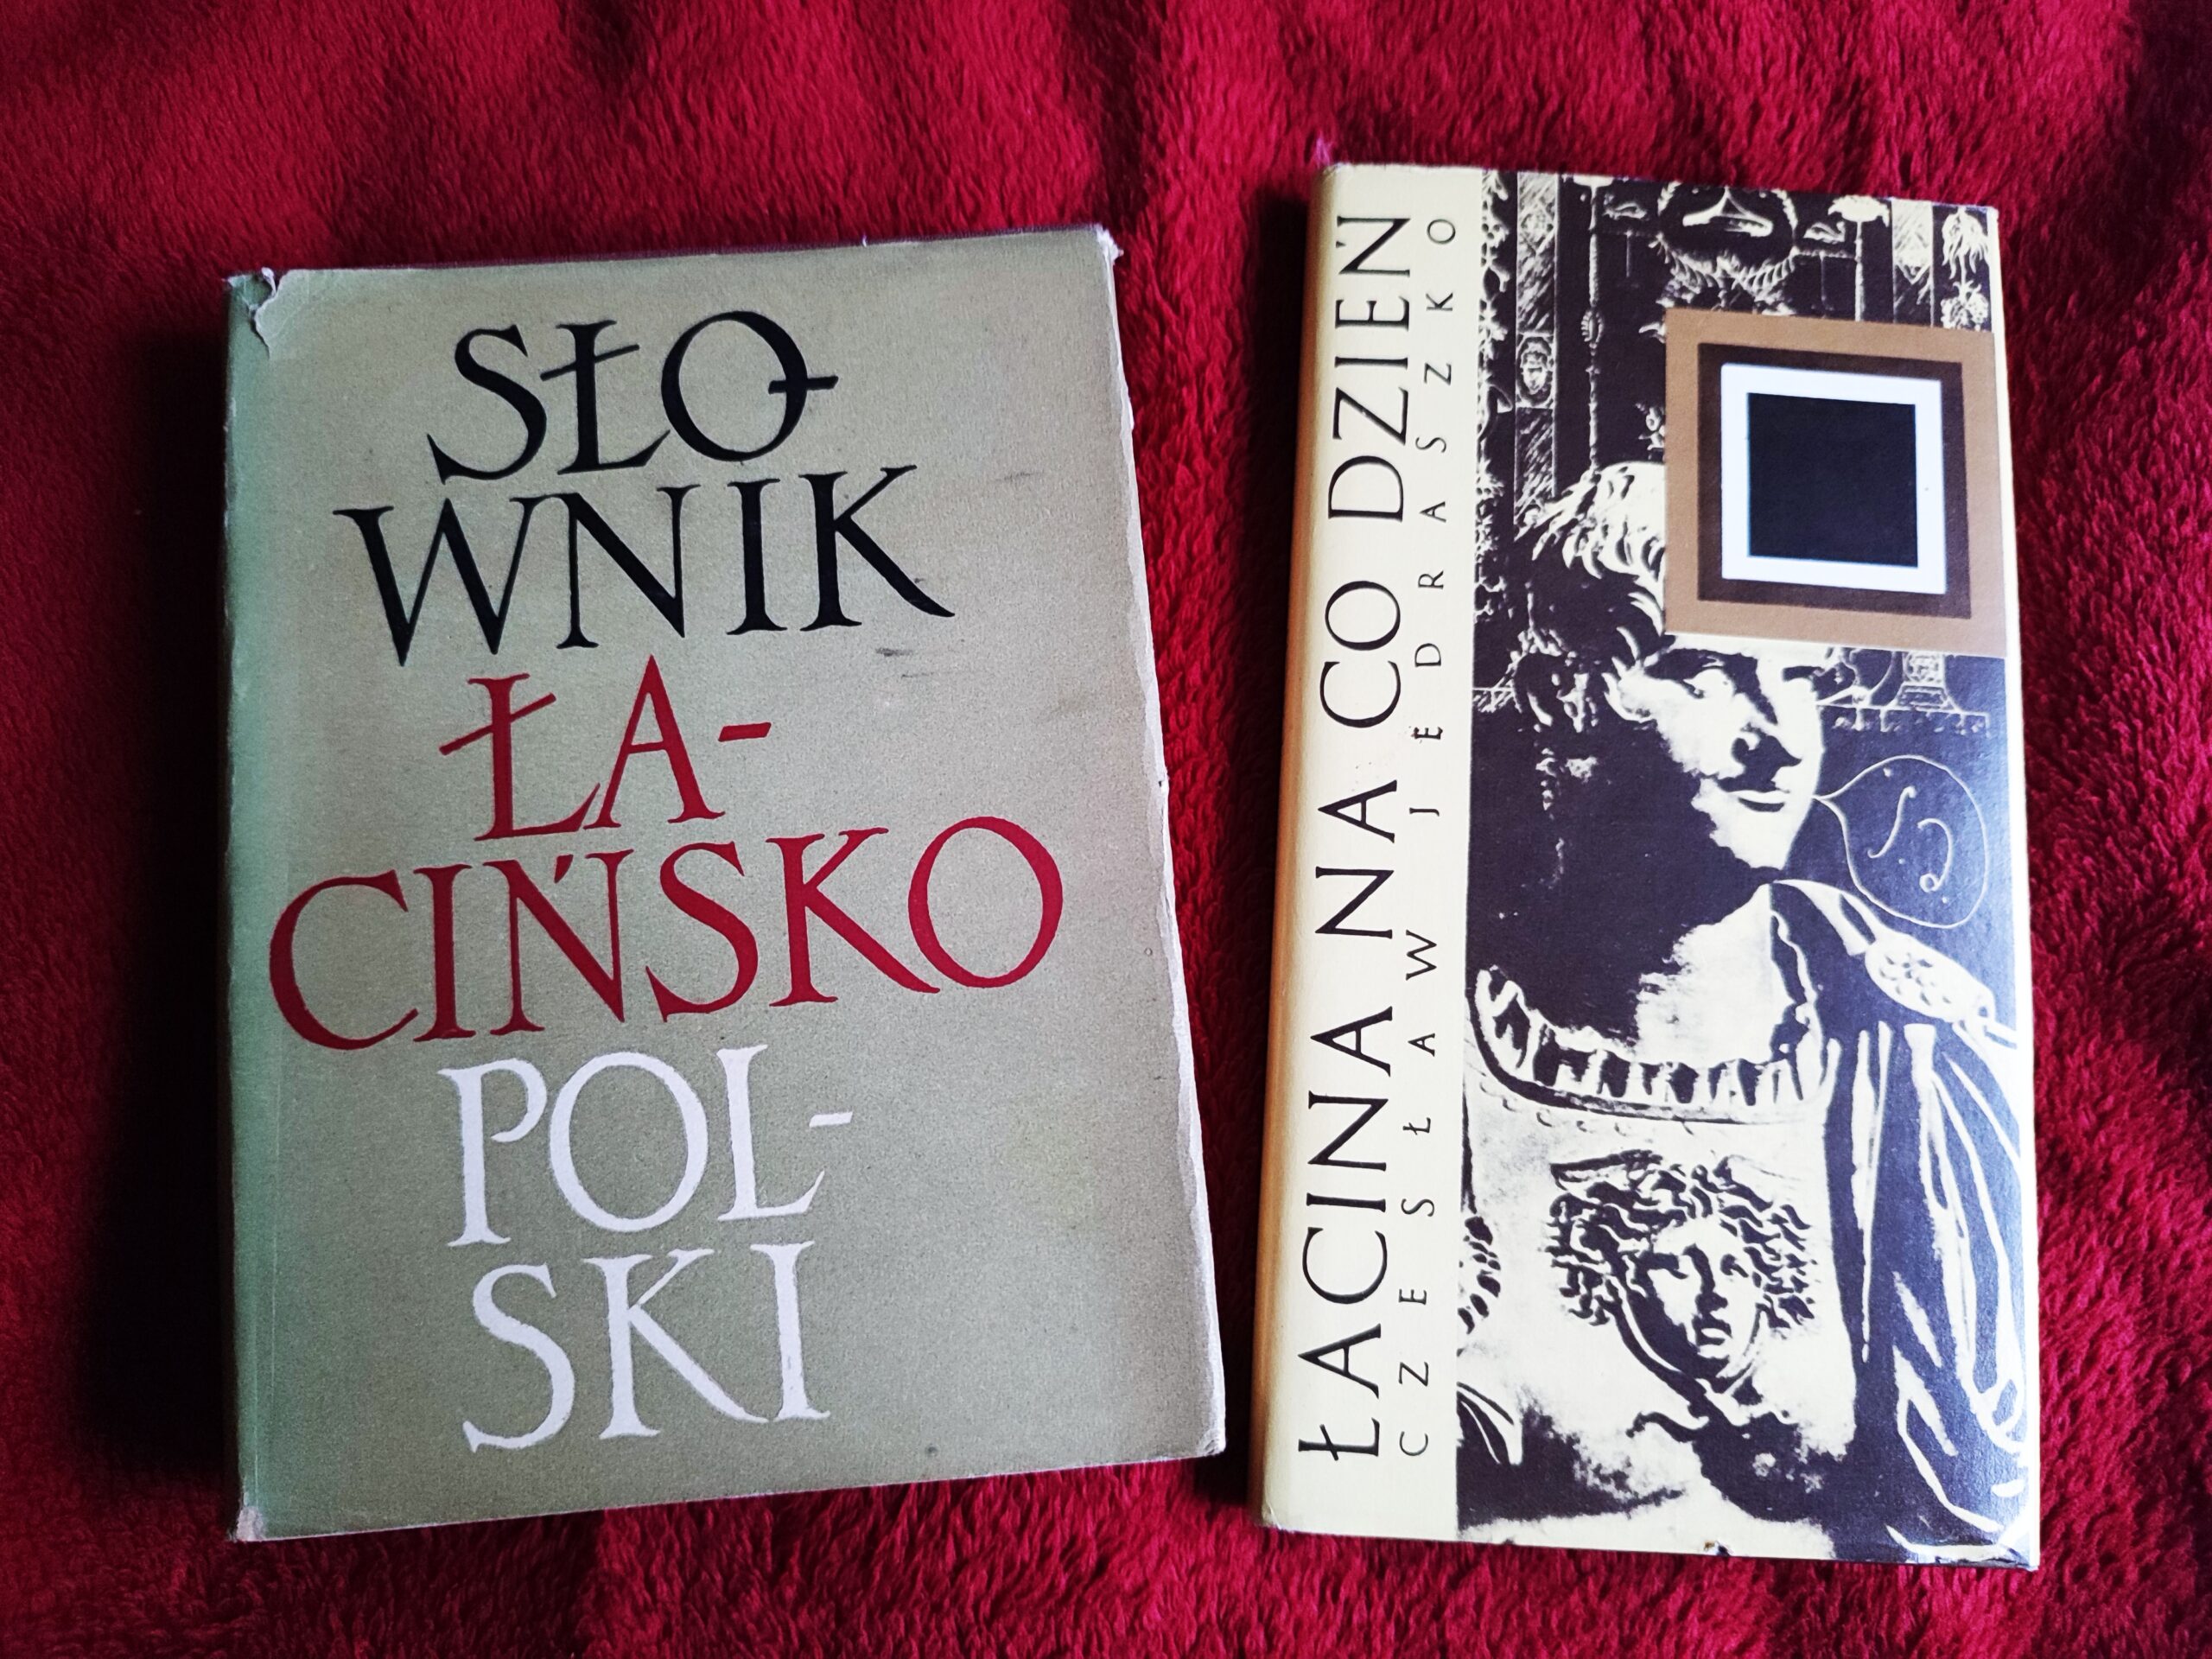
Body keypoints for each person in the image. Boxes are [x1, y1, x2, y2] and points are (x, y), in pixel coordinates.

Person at [1459, 461, 2032, 1561]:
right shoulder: (1429, 1047)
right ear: (1561, 695)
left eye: (1801, 677)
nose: (1778, 738)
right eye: (1709, 673)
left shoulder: (1917, 1055)